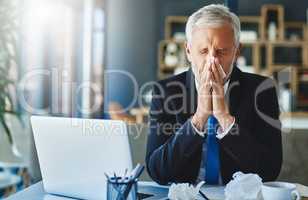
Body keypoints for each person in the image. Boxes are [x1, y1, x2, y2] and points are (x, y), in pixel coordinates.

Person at [145, 4, 282, 185]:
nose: (212, 61)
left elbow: (269, 170)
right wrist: (199, 118)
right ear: (188, 51)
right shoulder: (165, 91)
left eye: (221, 51)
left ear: (236, 51)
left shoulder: (262, 90)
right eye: (203, 51)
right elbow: (157, 171)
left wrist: (225, 120)